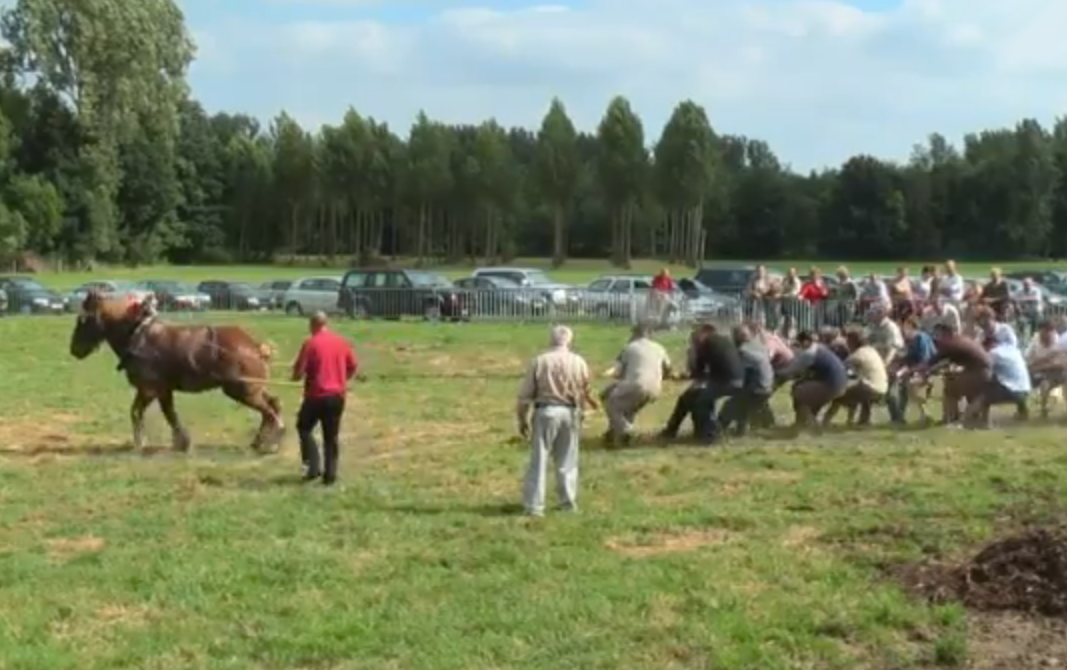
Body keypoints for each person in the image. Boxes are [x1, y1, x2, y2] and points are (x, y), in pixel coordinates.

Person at [515, 324, 597, 517]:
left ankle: (535, 506)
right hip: (570, 413)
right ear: (569, 340)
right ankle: (567, 502)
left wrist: (522, 419)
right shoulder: (579, 362)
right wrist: (583, 412)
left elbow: (525, 396)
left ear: (551, 339)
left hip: (546, 411)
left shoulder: (540, 361)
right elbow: (586, 391)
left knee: (539, 460)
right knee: (567, 460)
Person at [291, 311, 358, 486]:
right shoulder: (341, 342)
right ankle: (330, 475)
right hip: (337, 397)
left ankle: (313, 468)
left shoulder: (310, 343)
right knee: (331, 437)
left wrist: (295, 376)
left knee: (304, 427)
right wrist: (341, 379)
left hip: (316, 396)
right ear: (326, 324)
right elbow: (352, 366)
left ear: (313, 325)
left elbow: (298, 373)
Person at [601, 323, 672, 447]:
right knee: (627, 406)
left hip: (637, 385)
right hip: (655, 388)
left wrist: (606, 374)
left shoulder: (629, 347)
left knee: (610, 403)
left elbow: (617, 371)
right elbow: (668, 369)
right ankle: (615, 434)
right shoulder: (660, 347)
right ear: (650, 334)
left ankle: (627, 430)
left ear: (634, 334)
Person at [917, 323, 992, 426]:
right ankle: (971, 418)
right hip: (986, 374)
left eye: (937, 335)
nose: (936, 339)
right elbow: (946, 362)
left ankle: (950, 418)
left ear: (945, 334)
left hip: (979, 374)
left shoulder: (951, 344)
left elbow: (933, 361)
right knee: (956, 380)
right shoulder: (963, 340)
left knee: (950, 385)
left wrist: (921, 371)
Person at [775, 330, 848, 431]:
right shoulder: (820, 347)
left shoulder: (808, 354)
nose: (798, 347)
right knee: (804, 388)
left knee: (797, 392)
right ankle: (802, 423)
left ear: (805, 342)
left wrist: (775, 371)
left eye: (799, 344)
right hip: (842, 383)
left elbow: (790, 371)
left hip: (832, 385)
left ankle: (811, 426)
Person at [688, 323, 745, 442]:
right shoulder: (725, 340)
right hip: (741, 379)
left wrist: (693, 351)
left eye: (696, 335)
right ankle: (739, 429)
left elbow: (698, 370)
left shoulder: (705, 343)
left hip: (726, 381)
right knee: (710, 395)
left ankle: (710, 434)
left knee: (701, 401)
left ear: (703, 333)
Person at [718, 324, 775, 436]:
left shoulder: (742, 351)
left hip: (758, 387)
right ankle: (742, 430)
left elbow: (741, 374)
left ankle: (717, 430)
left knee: (730, 405)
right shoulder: (759, 345)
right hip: (768, 386)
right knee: (742, 404)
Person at [823, 328, 888, 426]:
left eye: (847, 342)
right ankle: (863, 421)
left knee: (838, 397)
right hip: (883, 387)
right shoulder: (871, 350)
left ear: (852, 342)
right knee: (859, 391)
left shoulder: (857, 355)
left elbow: (839, 369)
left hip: (872, 388)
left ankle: (825, 422)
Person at [659, 324, 713, 441]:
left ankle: (672, 432)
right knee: (688, 400)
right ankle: (696, 432)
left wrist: (683, 376)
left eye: (693, 340)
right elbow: (696, 372)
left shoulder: (704, 351)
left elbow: (703, 372)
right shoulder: (699, 350)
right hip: (704, 383)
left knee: (688, 400)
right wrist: (682, 376)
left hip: (708, 384)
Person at [972, 328, 1030, 427]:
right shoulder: (1012, 349)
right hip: (1025, 390)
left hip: (1013, 392)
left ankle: (983, 421)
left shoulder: (993, 353)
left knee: (984, 386)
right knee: (1007, 378)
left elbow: (982, 370)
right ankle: (1023, 411)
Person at [887, 316, 937, 424]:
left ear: (912, 326)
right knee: (902, 385)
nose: (904, 330)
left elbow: (926, 361)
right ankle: (900, 416)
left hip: (927, 370)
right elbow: (907, 358)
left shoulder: (921, 338)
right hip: (915, 370)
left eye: (906, 327)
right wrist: (896, 365)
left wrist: (908, 371)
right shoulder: (911, 340)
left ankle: (926, 414)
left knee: (909, 385)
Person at [1026, 320, 1067, 418]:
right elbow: (1029, 361)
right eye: (1042, 334)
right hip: (1041, 374)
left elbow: (1062, 363)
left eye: (1047, 334)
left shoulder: (1060, 341)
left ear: (1052, 332)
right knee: (1044, 383)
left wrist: (1040, 365)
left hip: (1059, 373)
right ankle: (1042, 408)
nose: (1044, 337)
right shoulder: (1035, 340)